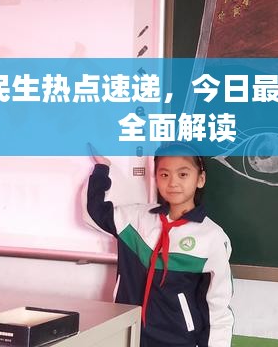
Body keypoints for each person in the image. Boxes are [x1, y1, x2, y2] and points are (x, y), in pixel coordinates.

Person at [82, 142, 234, 347]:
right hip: (128, 334)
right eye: (164, 174)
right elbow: (93, 212)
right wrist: (102, 168)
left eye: (183, 174)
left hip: (178, 341)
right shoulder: (135, 219)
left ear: (200, 179)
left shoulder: (212, 237)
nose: (172, 182)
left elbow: (218, 306)